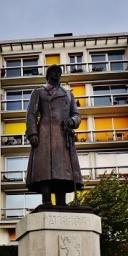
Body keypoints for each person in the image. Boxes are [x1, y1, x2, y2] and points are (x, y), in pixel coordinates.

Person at [25, 65, 83, 206]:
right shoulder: (39, 92)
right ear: (48, 74)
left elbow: (76, 115)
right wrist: (33, 132)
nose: (56, 73)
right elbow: (31, 113)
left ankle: (61, 202)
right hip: (45, 133)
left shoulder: (68, 94)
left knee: (62, 170)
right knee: (45, 169)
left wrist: (72, 121)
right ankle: (46, 200)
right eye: (53, 71)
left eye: (58, 72)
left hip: (63, 136)